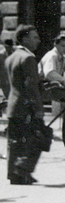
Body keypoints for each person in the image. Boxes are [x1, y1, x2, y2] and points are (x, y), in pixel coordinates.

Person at [5, 26, 45, 185]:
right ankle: (22, 172)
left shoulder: (11, 57)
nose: (38, 40)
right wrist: (38, 109)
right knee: (33, 140)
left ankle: (13, 173)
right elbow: (31, 86)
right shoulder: (28, 58)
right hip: (26, 108)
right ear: (24, 39)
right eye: (35, 37)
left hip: (13, 106)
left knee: (14, 142)